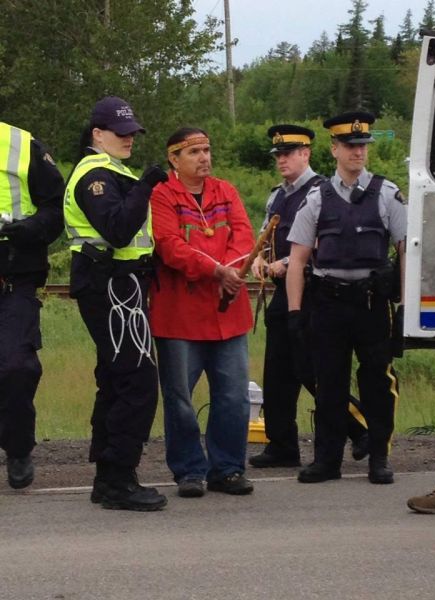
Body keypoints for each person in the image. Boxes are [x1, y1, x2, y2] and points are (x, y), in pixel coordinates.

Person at [286, 111, 407, 484]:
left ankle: (379, 459)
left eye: (363, 146)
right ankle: (327, 460)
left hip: (372, 305)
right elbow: (298, 259)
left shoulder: (387, 195)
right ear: (334, 149)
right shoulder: (316, 199)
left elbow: (406, 251)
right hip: (329, 304)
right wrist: (294, 313)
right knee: (329, 384)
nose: (358, 152)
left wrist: (403, 302)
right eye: (351, 146)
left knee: (377, 383)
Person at [64, 96, 168, 511]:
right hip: (109, 285)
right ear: (97, 134)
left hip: (121, 285)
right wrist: (145, 185)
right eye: (120, 133)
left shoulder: (113, 171)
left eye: (132, 133)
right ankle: (119, 478)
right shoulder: (96, 176)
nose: (129, 139)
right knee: (137, 381)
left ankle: (108, 477)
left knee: (115, 378)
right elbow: (120, 230)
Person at [248, 124, 369, 469]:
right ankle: (281, 443)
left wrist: (285, 263)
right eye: (278, 155)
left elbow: (324, 242)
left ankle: (361, 429)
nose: (282, 160)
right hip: (281, 295)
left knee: (312, 370)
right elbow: (265, 236)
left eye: (289, 154)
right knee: (277, 372)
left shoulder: (324, 192)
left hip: (315, 291)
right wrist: (259, 259)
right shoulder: (277, 195)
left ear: (306, 154)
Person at [149, 127, 255, 498]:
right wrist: (216, 271)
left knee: (233, 396)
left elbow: (244, 236)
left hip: (229, 313)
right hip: (180, 317)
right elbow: (169, 245)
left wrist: (233, 268)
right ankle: (189, 470)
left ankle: (227, 468)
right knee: (180, 397)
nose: (204, 157)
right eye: (194, 151)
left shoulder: (226, 191)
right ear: (174, 159)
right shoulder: (161, 195)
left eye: (207, 150)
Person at [0, 122, 64, 489]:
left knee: (15, 368)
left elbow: (56, 206)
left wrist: (31, 229)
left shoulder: (20, 143)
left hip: (13, 278)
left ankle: (18, 446)